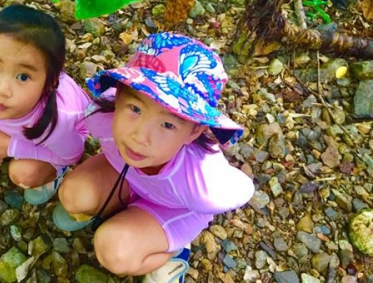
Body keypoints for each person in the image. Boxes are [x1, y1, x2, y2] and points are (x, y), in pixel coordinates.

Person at [53, 33, 254, 282]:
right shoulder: (100, 118)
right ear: (118, 97)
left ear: (193, 131)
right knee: (73, 196)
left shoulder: (202, 182)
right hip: (127, 177)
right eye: (135, 109)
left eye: (168, 125)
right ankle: (124, 212)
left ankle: (172, 252)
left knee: (114, 252)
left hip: (171, 206)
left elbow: (242, 189)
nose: (140, 137)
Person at [0, 4, 90, 205]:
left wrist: (11, 147)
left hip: (50, 141)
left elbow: (72, 155)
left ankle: (53, 176)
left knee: (23, 175)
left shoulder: (58, 122)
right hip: (14, 123)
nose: (2, 90)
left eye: (23, 76)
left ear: (49, 83)